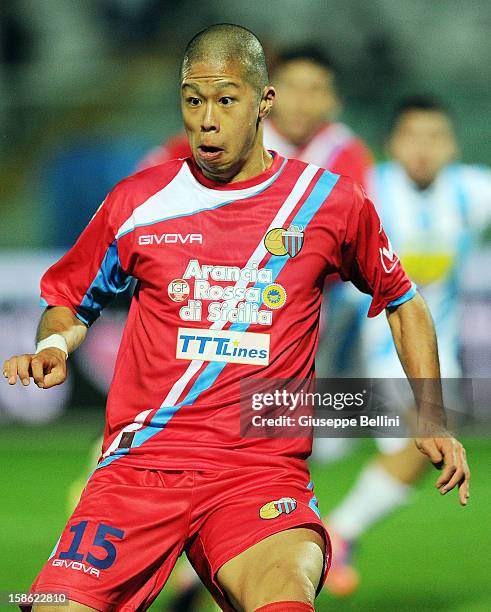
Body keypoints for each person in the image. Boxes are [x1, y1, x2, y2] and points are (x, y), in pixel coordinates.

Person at [3, 26, 470, 612]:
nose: (206, 118)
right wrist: (54, 346)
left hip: (259, 473)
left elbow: (403, 299)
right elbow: (71, 298)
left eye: (225, 99)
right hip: (139, 471)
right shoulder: (138, 200)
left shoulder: (331, 201)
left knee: (284, 600)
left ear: (262, 102)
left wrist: (429, 411)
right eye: (193, 99)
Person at [324, 95, 490, 596]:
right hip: (363, 347)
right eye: (413, 137)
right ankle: (337, 533)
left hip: (429, 355)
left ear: (451, 146)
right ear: (393, 144)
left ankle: (335, 535)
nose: (424, 149)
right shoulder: (368, 190)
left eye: (435, 138)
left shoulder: (470, 192)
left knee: (428, 441)